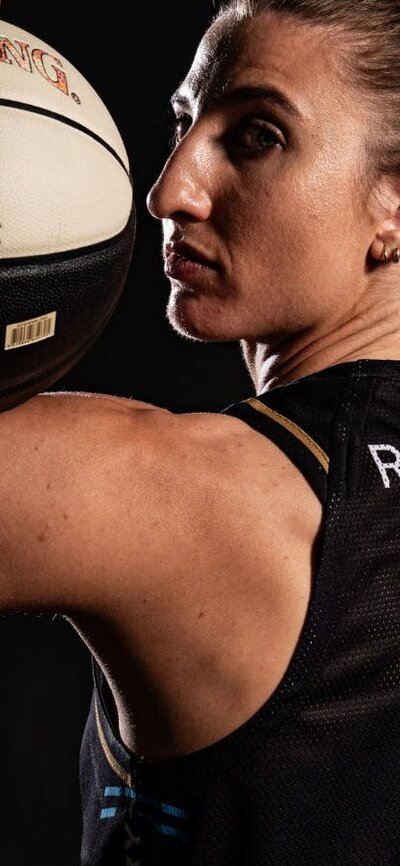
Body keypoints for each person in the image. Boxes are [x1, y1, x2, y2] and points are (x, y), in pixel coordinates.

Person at [2, 0, 400, 862]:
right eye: (186, 120)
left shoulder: (202, 501)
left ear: (393, 208)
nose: (169, 190)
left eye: (256, 135)